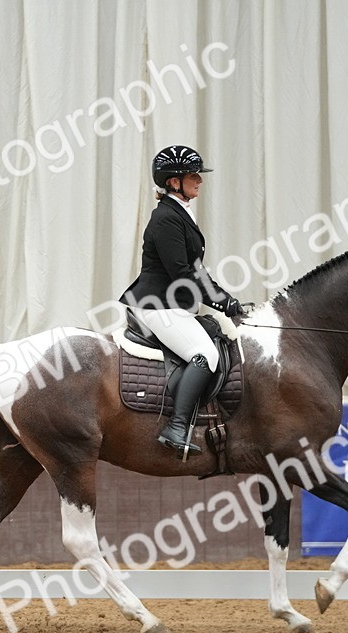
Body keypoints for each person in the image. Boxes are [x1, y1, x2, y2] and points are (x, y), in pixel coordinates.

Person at [121, 145, 244, 455]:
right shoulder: (166, 219)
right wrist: (220, 303)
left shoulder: (179, 214)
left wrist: (227, 300)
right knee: (205, 354)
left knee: (215, 336)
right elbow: (182, 274)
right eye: (193, 176)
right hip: (158, 305)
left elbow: (197, 271)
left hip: (172, 304)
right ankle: (177, 427)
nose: (199, 181)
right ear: (174, 182)